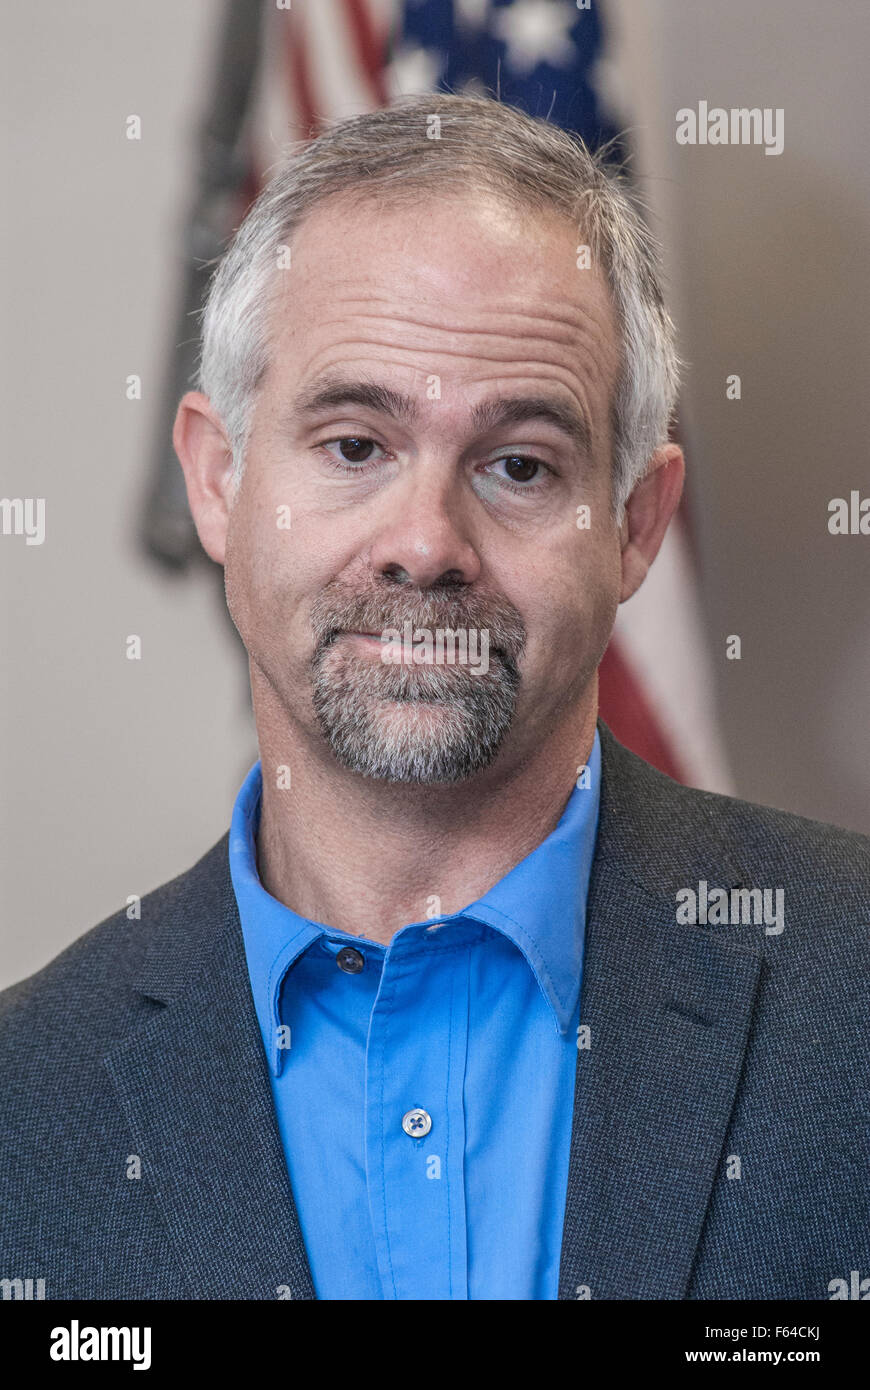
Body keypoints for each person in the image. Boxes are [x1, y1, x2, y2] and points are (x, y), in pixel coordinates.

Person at [1, 94, 867, 1302]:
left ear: (634, 525)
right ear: (218, 481)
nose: (425, 543)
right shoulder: (20, 1109)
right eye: (355, 444)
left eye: (519, 464)